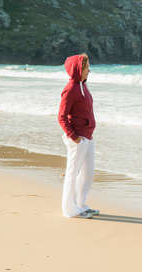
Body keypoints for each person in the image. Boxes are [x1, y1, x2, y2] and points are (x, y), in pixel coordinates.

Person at [58, 53, 99, 219]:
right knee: (72, 173)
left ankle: (81, 205)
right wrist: (74, 136)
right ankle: (69, 209)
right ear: (78, 69)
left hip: (88, 136)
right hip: (77, 139)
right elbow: (61, 116)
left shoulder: (83, 86)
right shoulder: (70, 89)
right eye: (86, 67)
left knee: (88, 173)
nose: (89, 70)